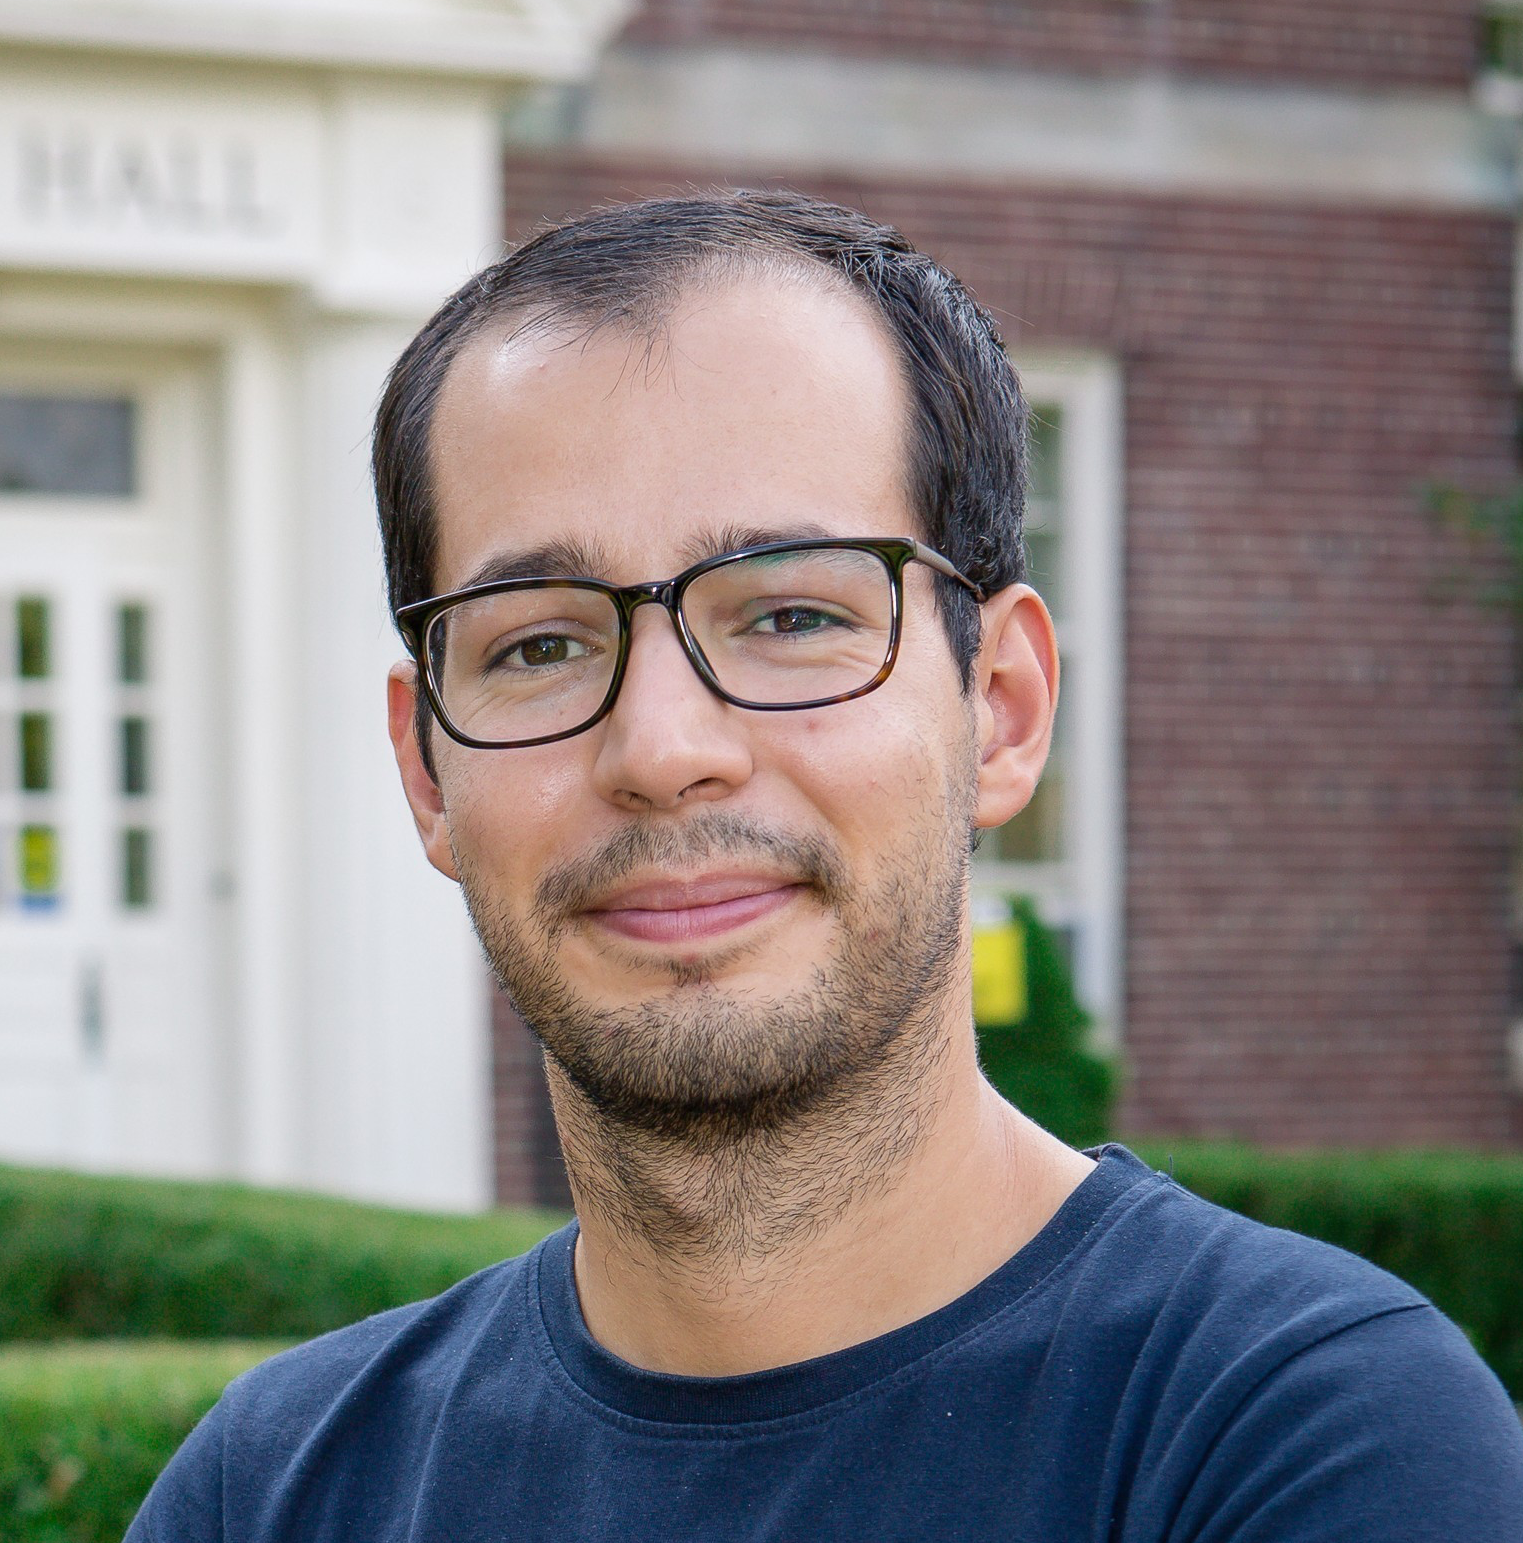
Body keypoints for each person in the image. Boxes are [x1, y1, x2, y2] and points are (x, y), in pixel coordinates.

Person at [128, 190, 1523, 1542]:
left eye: (790, 612)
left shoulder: (1297, 1439)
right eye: (538, 642)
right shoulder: (274, 1490)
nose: (661, 747)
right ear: (428, 769)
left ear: (1002, 709)